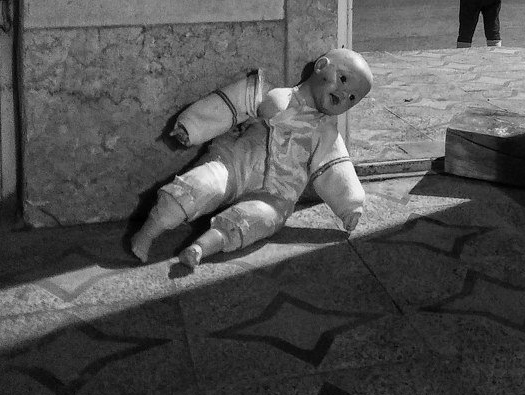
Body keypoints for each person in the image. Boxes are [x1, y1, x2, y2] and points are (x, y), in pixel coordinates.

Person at [129, 48, 373, 269]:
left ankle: (201, 247)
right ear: (321, 66)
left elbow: (336, 167)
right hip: (234, 165)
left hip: (276, 194)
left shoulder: (326, 132)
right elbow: (231, 105)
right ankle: (148, 232)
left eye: (352, 97)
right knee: (202, 184)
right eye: (343, 79)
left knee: (257, 219)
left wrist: (350, 205)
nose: (344, 93)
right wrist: (192, 126)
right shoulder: (273, 96)